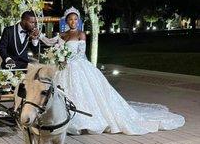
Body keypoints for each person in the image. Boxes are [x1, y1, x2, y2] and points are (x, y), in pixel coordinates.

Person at [39, 7, 185, 135]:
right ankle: (61, 118)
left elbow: (81, 53)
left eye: (75, 19)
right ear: (66, 21)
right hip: (63, 68)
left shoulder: (81, 34)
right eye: (70, 19)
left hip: (78, 67)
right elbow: (49, 42)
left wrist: (66, 57)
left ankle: (83, 122)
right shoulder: (62, 35)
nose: (73, 22)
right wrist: (39, 35)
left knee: (84, 93)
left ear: (78, 21)